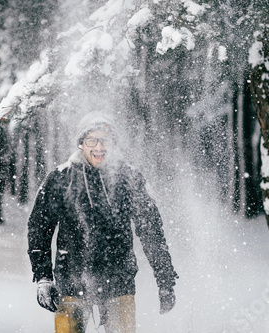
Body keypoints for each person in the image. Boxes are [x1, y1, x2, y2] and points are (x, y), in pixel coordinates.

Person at [27, 113, 178, 333]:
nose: (99, 146)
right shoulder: (61, 177)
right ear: (81, 144)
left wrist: (165, 280)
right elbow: (39, 229)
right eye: (92, 140)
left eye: (105, 140)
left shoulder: (128, 178)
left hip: (118, 282)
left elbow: (151, 230)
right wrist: (43, 278)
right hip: (71, 282)